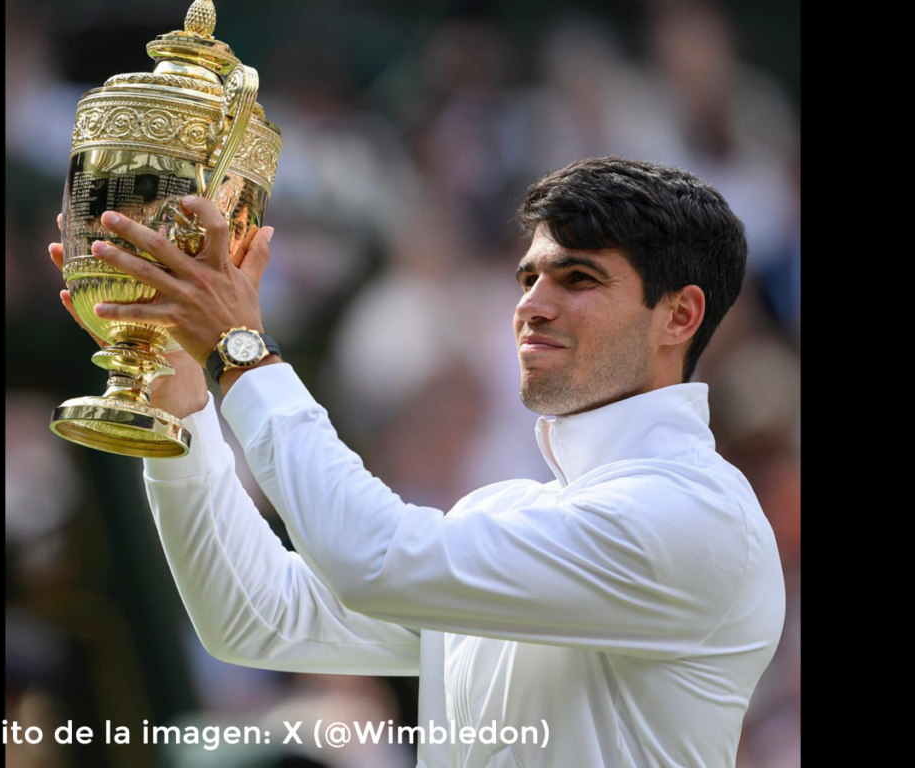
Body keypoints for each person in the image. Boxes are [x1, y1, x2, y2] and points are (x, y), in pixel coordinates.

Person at [49, 157, 786, 768]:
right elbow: (256, 617)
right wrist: (181, 396)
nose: (533, 304)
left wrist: (240, 351)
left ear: (680, 315)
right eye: (528, 277)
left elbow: (377, 559)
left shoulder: (694, 513)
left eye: (579, 279)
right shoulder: (508, 513)